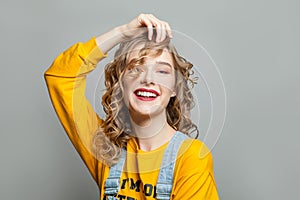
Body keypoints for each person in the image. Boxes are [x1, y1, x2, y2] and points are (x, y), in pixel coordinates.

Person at [44, 13, 219, 200]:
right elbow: (60, 76)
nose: (148, 79)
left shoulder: (191, 158)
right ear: (121, 83)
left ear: (175, 88)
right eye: (136, 68)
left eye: (161, 71)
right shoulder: (106, 149)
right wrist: (122, 33)